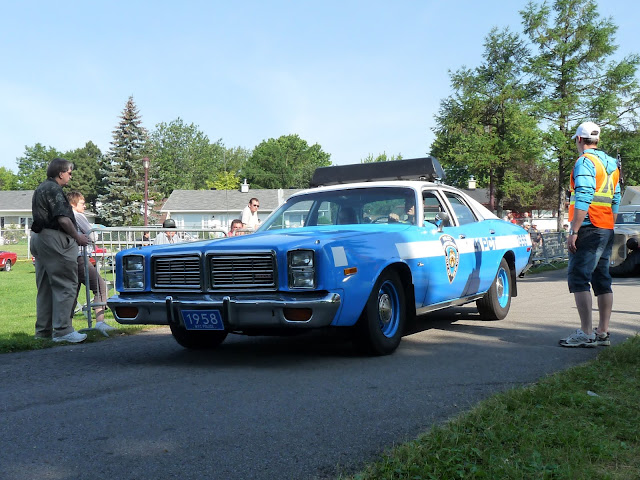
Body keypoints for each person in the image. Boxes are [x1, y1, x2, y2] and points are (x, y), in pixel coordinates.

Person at [560, 122, 621, 348]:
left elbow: (584, 197)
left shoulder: (585, 162)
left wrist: (574, 231)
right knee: (602, 278)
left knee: (579, 277)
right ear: (596, 140)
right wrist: (609, 225)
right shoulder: (612, 165)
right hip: (605, 226)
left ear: (579, 140)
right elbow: (615, 198)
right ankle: (602, 332)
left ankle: (586, 333)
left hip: (588, 226)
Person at [30, 158, 89, 343]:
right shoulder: (54, 189)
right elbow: (63, 219)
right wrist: (78, 237)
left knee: (45, 287)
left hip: (39, 238)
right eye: (69, 173)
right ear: (61, 173)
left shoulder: (41, 188)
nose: (70, 177)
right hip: (55, 239)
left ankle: (43, 333)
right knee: (66, 284)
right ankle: (63, 331)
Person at [67, 191, 115, 334]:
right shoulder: (77, 216)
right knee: (100, 286)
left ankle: (66, 326)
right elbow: (92, 234)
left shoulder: (67, 216)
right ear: (73, 204)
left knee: (72, 292)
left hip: (70, 257)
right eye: (82, 203)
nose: (84, 205)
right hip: (80, 258)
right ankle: (100, 323)